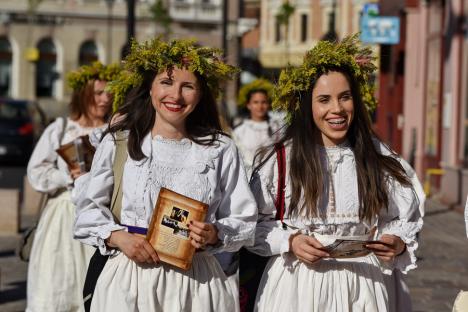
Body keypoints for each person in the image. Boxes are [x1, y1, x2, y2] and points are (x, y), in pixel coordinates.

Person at [73, 38, 257, 312]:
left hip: (197, 284)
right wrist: (119, 237)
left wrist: (214, 233)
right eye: (166, 82)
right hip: (130, 279)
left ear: (201, 93)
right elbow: (87, 209)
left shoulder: (220, 149)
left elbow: (244, 218)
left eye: (188, 86)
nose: (176, 95)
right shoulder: (120, 143)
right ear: (150, 87)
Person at [247, 35, 423, 311]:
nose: (337, 109)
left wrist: (396, 242)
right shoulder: (283, 159)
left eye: (345, 97)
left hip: (363, 285)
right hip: (298, 287)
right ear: (307, 105)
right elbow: (252, 224)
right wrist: (290, 241)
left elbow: (404, 218)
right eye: (324, 100)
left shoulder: (378, 157)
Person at [26, 61, 121, 312]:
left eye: (109, 92)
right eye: (98, 93)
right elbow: (36, 171)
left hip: (102, 215)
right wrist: (68, 176)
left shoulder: (115, 130)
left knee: (93, 287)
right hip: (64, 214)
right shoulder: (61, 129)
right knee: (57, 280)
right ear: (83, 94)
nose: (105, 98)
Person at [233, 79, 282, 175]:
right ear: (248, 105)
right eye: (256, 102)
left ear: (268, 104)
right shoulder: (240, 131)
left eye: (263, 102)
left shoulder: (278, 127)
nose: (260, 106)